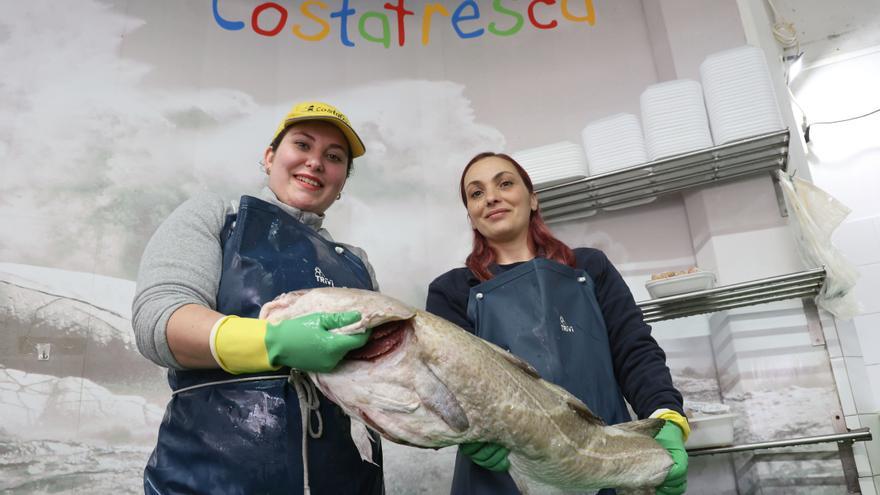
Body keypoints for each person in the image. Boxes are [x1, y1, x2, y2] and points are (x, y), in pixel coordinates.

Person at [132, 101, 384, 494]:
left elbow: (379, 376)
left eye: (333, 157)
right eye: (302, 145)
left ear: (341, 184)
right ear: (269, 158)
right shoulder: (216, 217)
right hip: (209, 481)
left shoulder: (357, 266)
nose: (315, 162)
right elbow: (159, 322)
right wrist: (274, 342)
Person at [426, 152, 690, 495]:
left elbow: (634, 350)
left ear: (532, 198)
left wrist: (665, 415)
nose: (490, 197)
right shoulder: (451, 291)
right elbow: (447, 385)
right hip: (503, 477)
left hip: (603, 467)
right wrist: (467, 431)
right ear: (472, 218)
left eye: (504, 183)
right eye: (476, 193)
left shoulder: (590, 268)